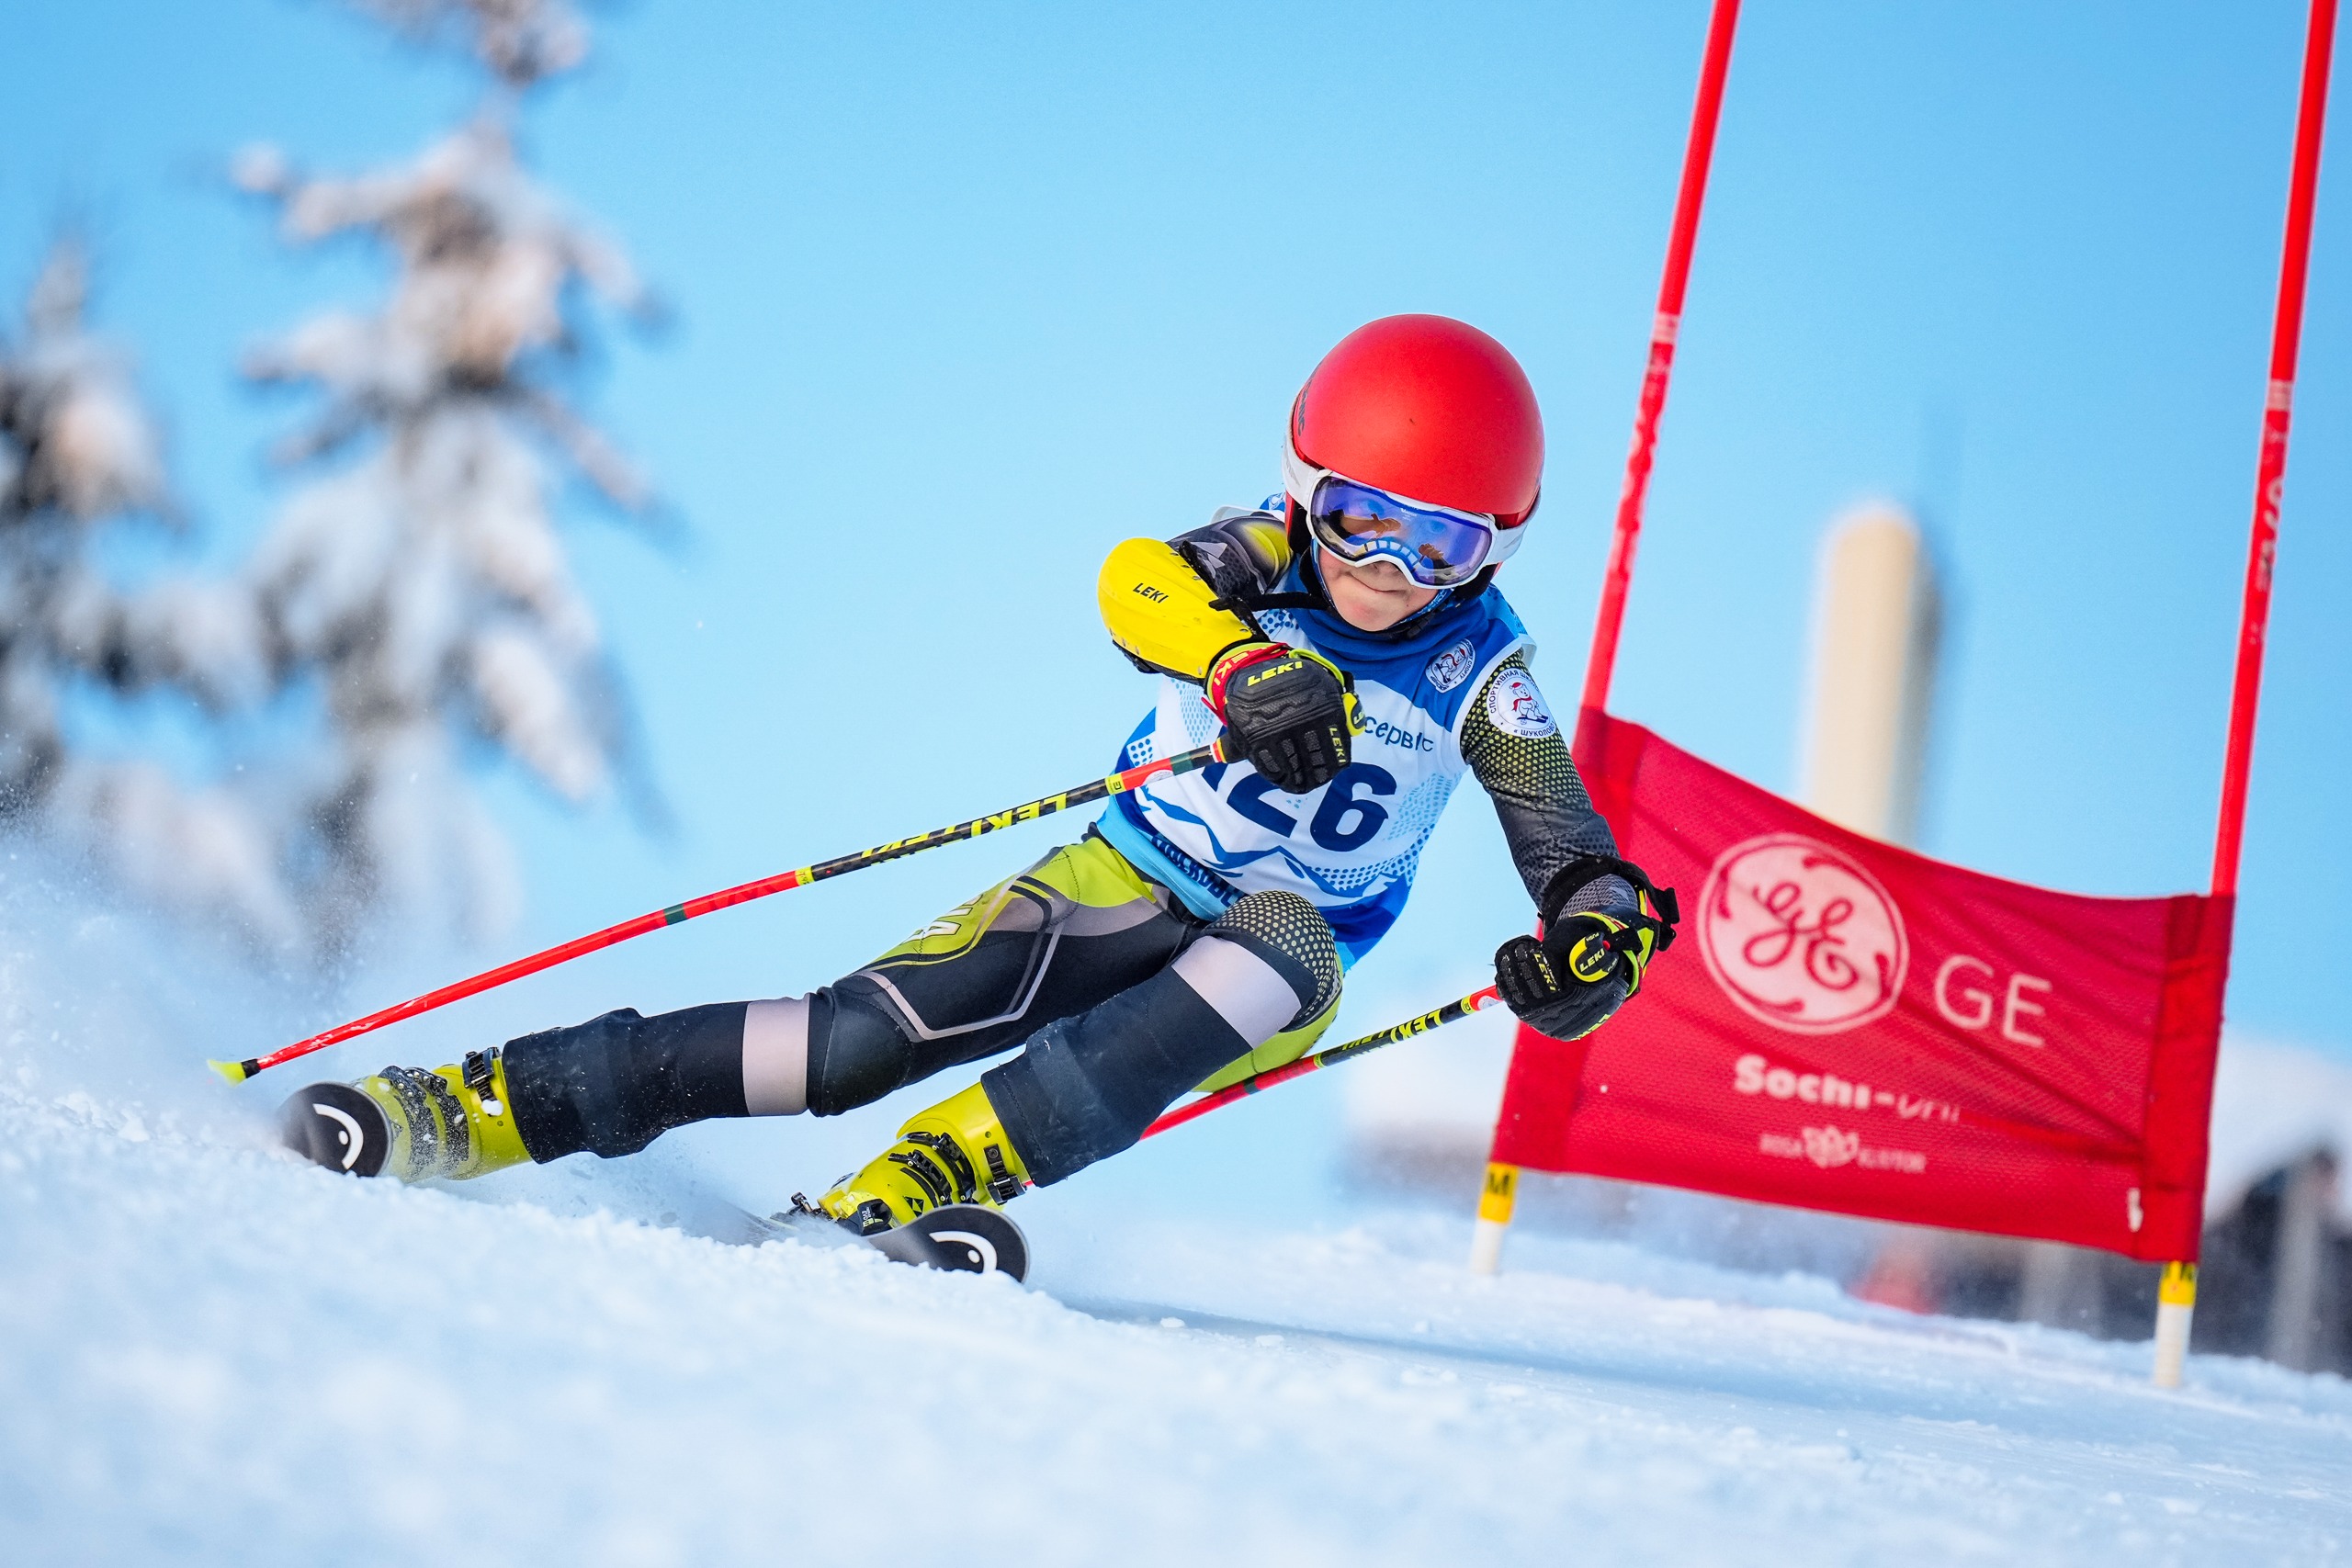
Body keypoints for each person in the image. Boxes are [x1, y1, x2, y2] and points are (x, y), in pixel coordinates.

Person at [278, 314, 1678, 1234]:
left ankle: (915, 1190)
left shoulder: (1484, 678)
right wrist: (1238, 666)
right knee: (847, 1044)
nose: (1384, 571)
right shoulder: (1262, 558)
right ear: (1305, 490)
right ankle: (475, 1103)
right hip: (1119, 876)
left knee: (1286, 937)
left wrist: (1593, 932)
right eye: (1362, 519)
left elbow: (1563, 838)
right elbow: (1135, 583)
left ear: (1493, 551)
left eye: (1436, 546)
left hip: (1275, 957)